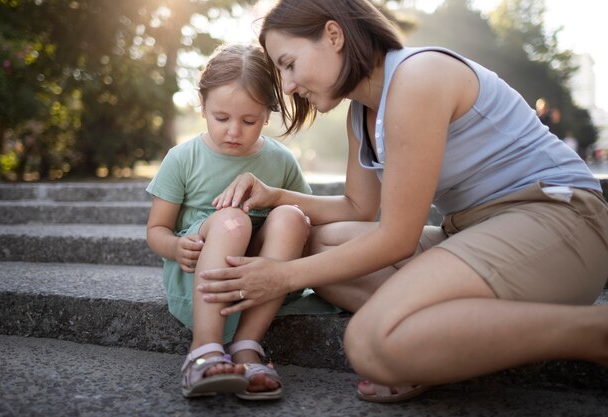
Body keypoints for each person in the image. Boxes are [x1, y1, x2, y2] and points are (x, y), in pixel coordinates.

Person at [197, 0, 608, 404]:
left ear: (333, 35)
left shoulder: (417, 77)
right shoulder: (362, 112)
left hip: (559, 223)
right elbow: (358, 210)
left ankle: (593, 331)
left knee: (371, 344)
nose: (286, 85)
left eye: (288, 63)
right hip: (473, 232)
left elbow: (396, 238)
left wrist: (282, 276)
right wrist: (276, 195)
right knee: (313, 241)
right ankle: (432, 346)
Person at [146, 44, 312, 400]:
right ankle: (203, 351)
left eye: (249, 121)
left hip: (262, 284)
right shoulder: (183, 158)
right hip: (201, 278)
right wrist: (175, 246)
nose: (234, 131)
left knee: (292, 217)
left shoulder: (280, 160)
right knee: (232, 220)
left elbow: (310, 214)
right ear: (202, 106)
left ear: (267, 114)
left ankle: (247, 346)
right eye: (221, 118)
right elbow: (155, 231)